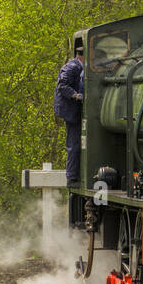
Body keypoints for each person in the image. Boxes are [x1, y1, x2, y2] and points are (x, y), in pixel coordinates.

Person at [54, 45, 85, 186]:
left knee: (77, 142)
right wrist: (75, 95)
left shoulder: (78, 67)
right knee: (73, 143)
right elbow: (62, 85)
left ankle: (74, 174)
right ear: (82, 55)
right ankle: (72, 177)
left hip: (75, 109)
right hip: (70, 110)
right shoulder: (72, 67)